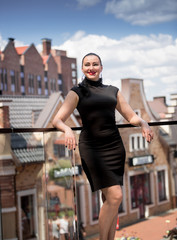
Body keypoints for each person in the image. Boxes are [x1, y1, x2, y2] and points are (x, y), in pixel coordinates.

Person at [52, 53, 154, 240]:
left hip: (114, 147)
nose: (91, 67)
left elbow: (131, 116)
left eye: (95, 64)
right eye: (87, 65)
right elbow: (57, 119)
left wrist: (143, 123)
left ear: (101, 67)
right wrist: (67, 130)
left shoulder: (113, 91)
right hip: (92, 148)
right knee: (116, 196)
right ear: (82, 69)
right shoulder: (77, 92)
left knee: (109, 200)